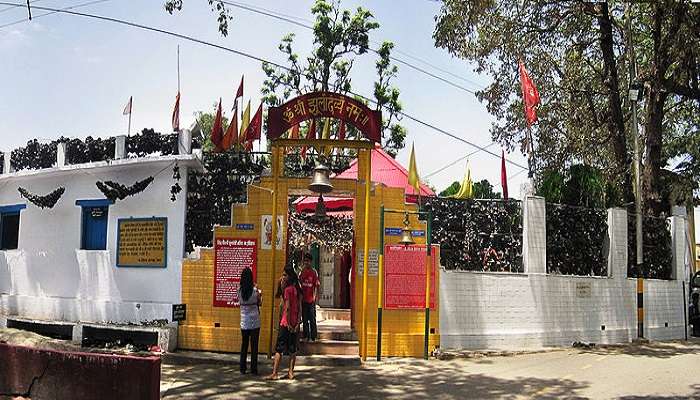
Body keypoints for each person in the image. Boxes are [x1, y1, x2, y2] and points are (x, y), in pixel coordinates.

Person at [266, 266, 301, 380]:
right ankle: (291, 372)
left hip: (286, 323)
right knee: (292, 349)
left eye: (285, 275)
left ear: (289, 276)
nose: (283, 277)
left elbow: (287, 308)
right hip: (295, 323)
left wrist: (290, 324)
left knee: (279, 349)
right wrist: (297, 323)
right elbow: (299, 308)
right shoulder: (297, 289)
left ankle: (275, 373)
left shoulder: (287, 290)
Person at [239, 267, 261, 375]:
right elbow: (259, 302)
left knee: (244, 345)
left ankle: (242, 368)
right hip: (255, 321)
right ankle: (254, 369)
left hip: (244, 321)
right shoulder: (255, 291)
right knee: (254, 345)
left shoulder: (239, 291)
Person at [299, 253, 320, 341]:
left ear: (311, 262)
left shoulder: (314, 272)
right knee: (304, 319)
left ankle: (313, 336)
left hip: (311, 300)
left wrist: (315, 297)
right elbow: (299, 284)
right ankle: (306, 335)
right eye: (305, 261)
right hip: (303, 300)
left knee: (312, 318)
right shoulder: (301, 272)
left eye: (308, 261)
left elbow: (316, 285)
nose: (306, 263)